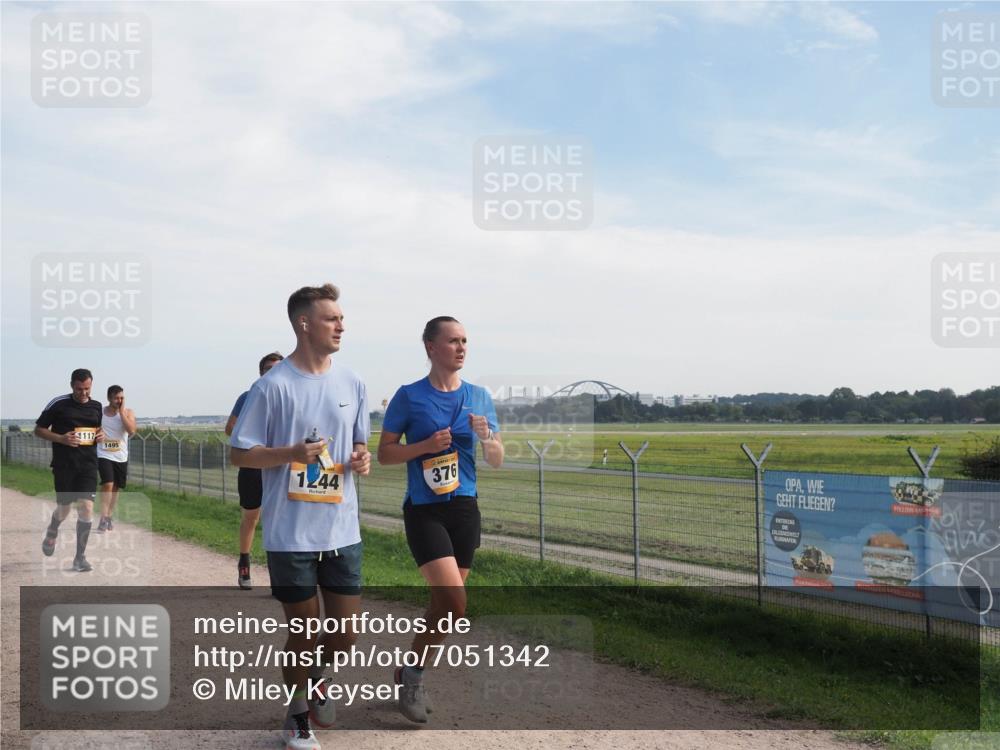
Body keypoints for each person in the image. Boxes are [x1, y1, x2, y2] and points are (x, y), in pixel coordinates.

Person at [230, 284, 371, 750]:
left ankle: (316, 680)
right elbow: (239, 455)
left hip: (342, 528)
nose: (342, 325)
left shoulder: (352, 382)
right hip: (291, 534)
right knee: (305, 631)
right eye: (332, 318)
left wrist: (360, 459)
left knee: (345, 635)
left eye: (342, 318)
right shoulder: (272, 387)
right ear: (304, 323)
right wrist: (290, 453)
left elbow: (359, 445)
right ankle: (296, 717)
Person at [377, 316, 504, 724]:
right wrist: (425, 446)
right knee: (453, 601)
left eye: (465, 341)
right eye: (453, 341)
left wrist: (487, 438)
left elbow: (497, 460)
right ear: (431, 347)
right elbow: (385, 454)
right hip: (425, 509)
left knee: (443, 606)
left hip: (464, 508)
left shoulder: (479, 397)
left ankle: (407, 672)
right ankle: (413, 677)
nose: (462, 347)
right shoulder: (409, 397)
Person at [35, 369, 104, 572]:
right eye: (79, 389)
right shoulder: (58, 404)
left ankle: (79, 558)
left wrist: (101, 435)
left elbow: (99, 430)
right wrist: (61, 438)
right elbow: (38, 429)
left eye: (87, 388)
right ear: (71, 385)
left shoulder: (96, 406)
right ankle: (52, 529)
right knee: (64, 509)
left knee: (86, 507)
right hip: (64, 465)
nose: (83, 393)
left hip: (88, 465)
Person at [225, 351, 284, 589]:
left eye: (279, 368)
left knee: (277, 518)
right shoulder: (248, 397)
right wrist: (253, 439)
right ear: (261, 374)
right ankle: (244, 562)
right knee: (251, 517)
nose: (274, 373)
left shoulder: (290, 397)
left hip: (281, 465)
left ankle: (278, 573)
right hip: (254, 464)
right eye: (269, 369)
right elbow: (230, 429)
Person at [96, 385, 137, 532]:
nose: (119, 400)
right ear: (109, 398)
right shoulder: (100, 412)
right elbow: (92, 428)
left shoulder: (128, 412)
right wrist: (97, 434)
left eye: (121, 398)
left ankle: (109, 516)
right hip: (104, 453)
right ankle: (102, 517)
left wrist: (121, 412)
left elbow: (131, 430)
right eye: (116, 398)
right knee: (107, 483)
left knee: (115, 488)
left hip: (120, 455)